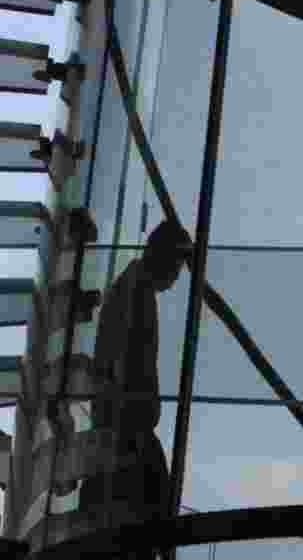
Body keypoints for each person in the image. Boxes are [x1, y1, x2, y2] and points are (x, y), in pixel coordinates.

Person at [81, 220, 190, 559]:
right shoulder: (136, 292)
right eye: (177, 265)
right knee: (154, 512)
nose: (177, 276)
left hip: (124, 423)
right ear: (164, 256)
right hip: (127, 427)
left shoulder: (131, 287)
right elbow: (130, 363)